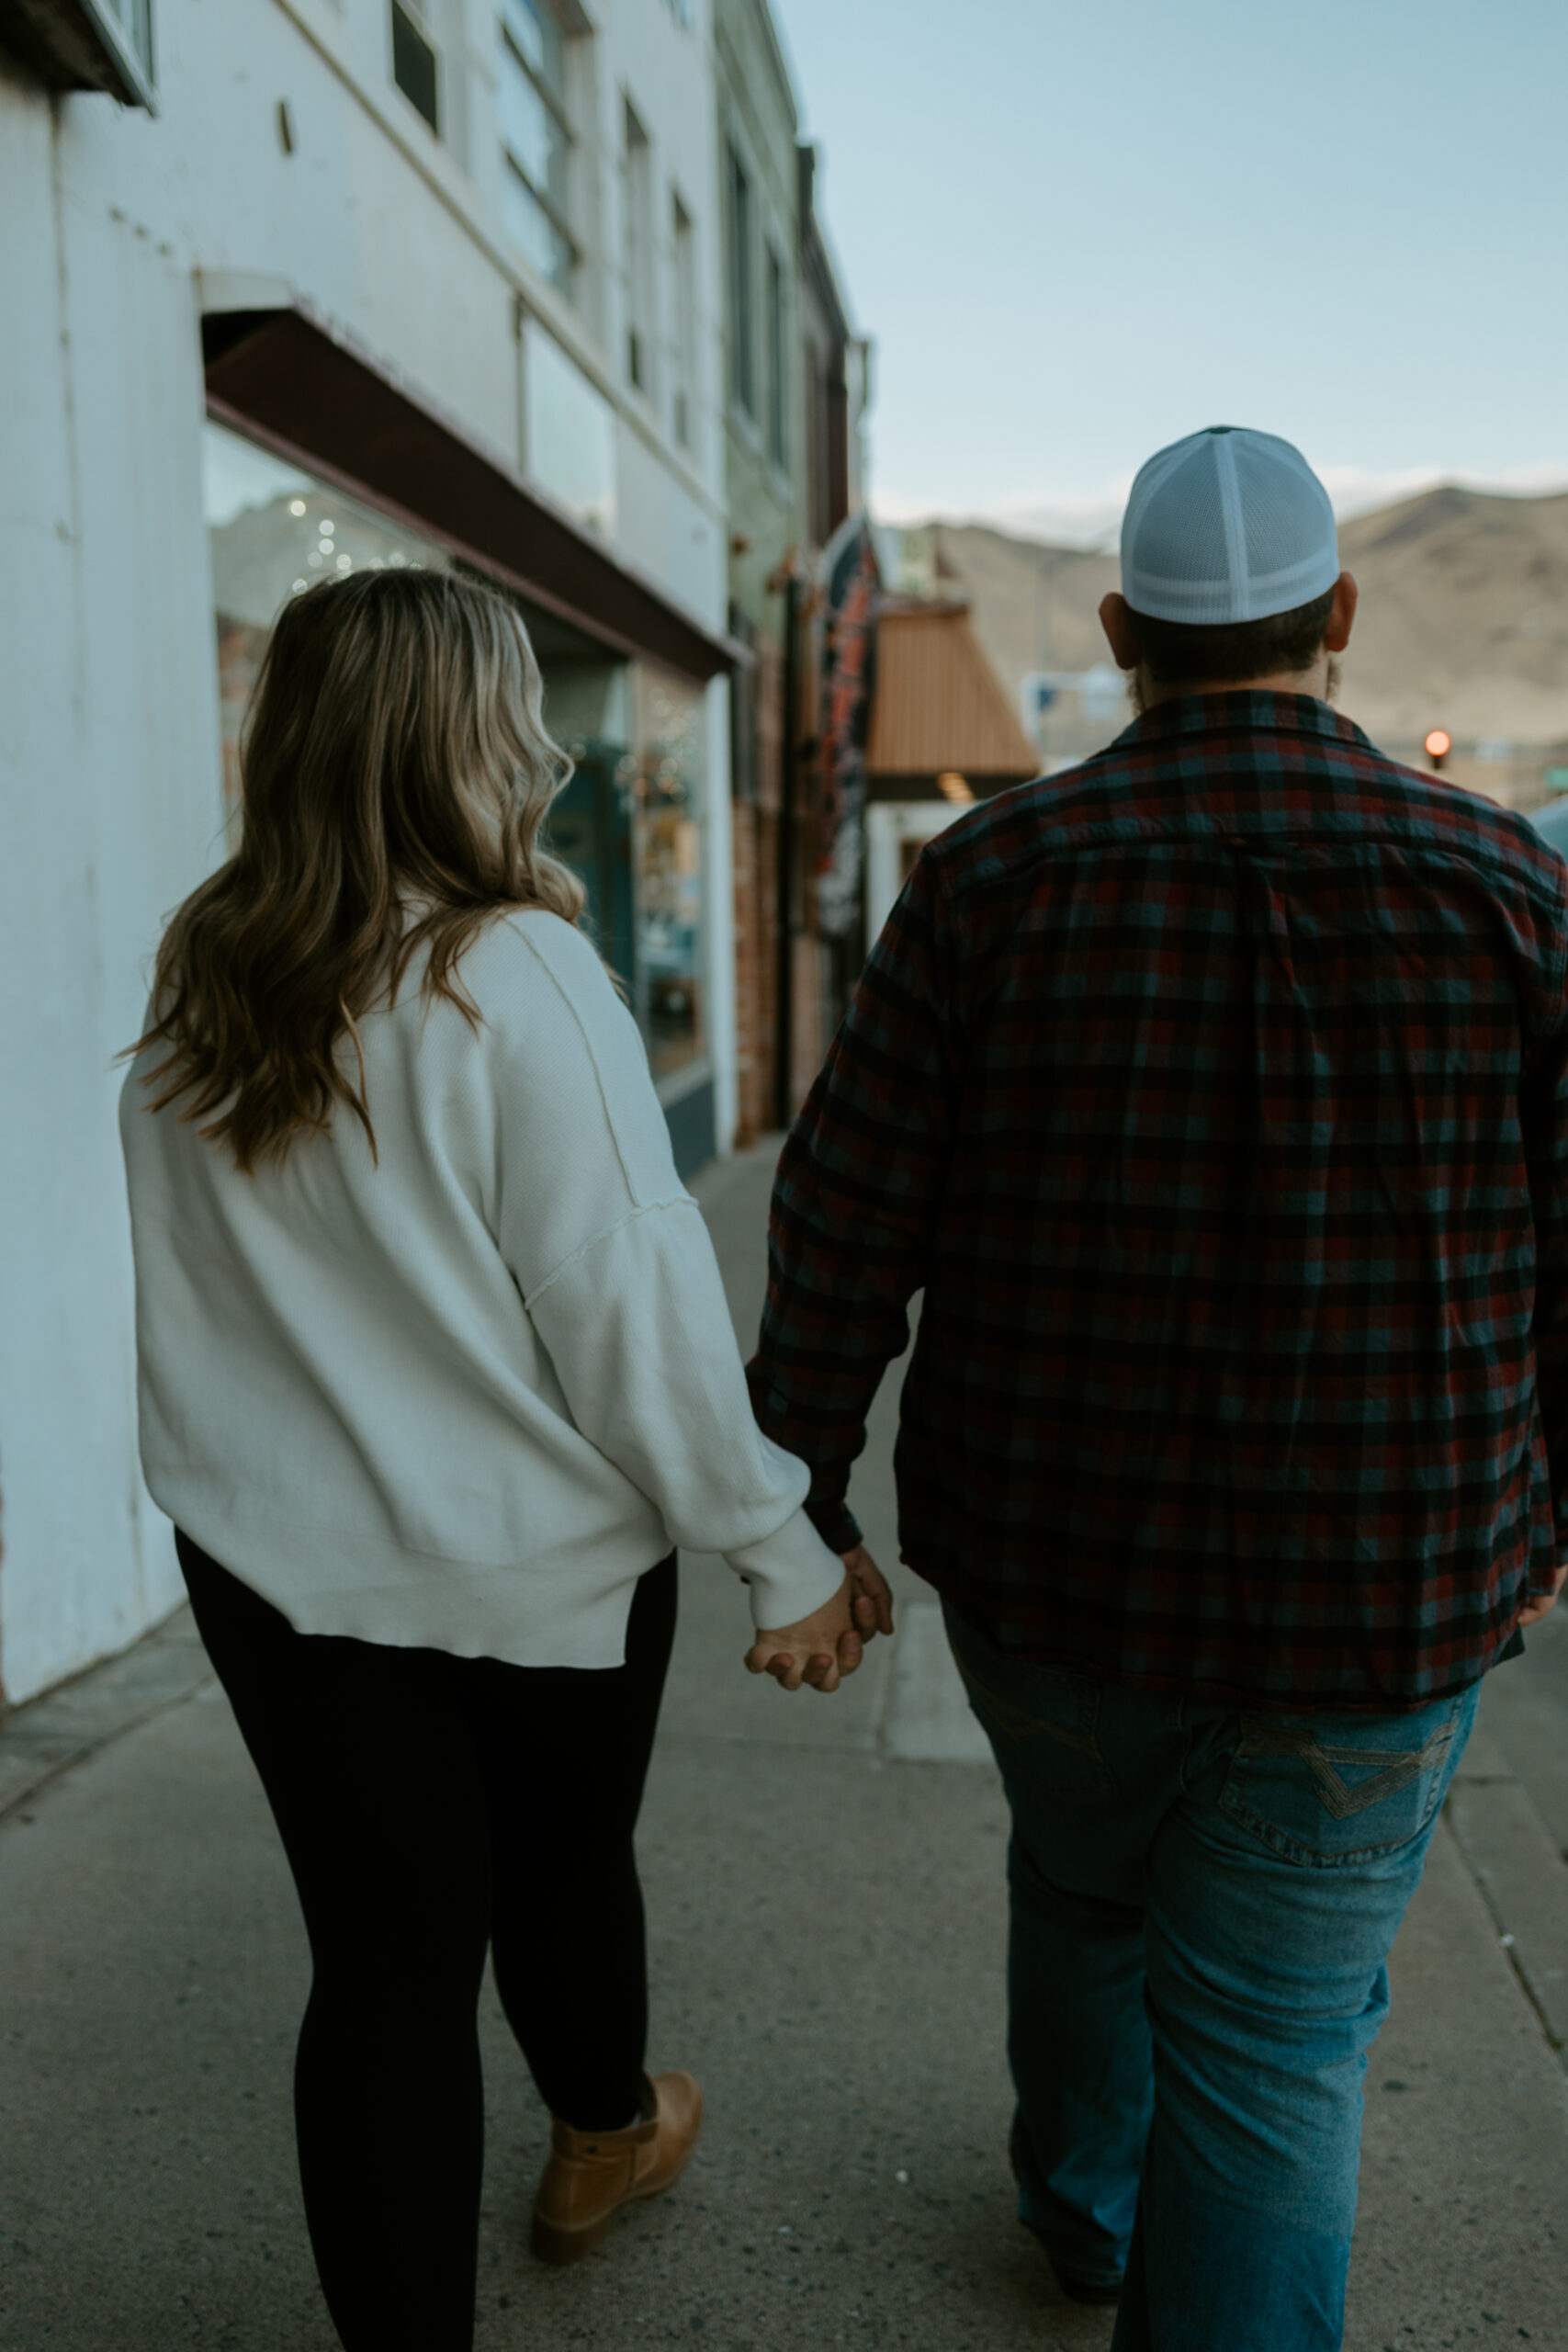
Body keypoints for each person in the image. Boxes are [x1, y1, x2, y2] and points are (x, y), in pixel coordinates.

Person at [745, 425, 1568, 2352]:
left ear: (1116, 629)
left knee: (1081, 1877)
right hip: (1378, 1598)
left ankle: (1082, 2204)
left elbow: (842, 1219)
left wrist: (797, 1498)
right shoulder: (1504, 885)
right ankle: (1126, 2223)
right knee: (1275, 2044)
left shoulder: (987, 876)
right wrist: (1549, 1514)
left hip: (1052, 1584)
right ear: (1338, 617)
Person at [118, 568, 882, 2352]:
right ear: (471, 735)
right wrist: (778, 1549)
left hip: (275, 1569)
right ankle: (601, 2128)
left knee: (382, 1972)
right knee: (558, 1863)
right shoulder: (512, 964)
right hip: (531, 1576)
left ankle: (547, 2189)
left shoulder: (203, 970)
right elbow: (630, 1307)